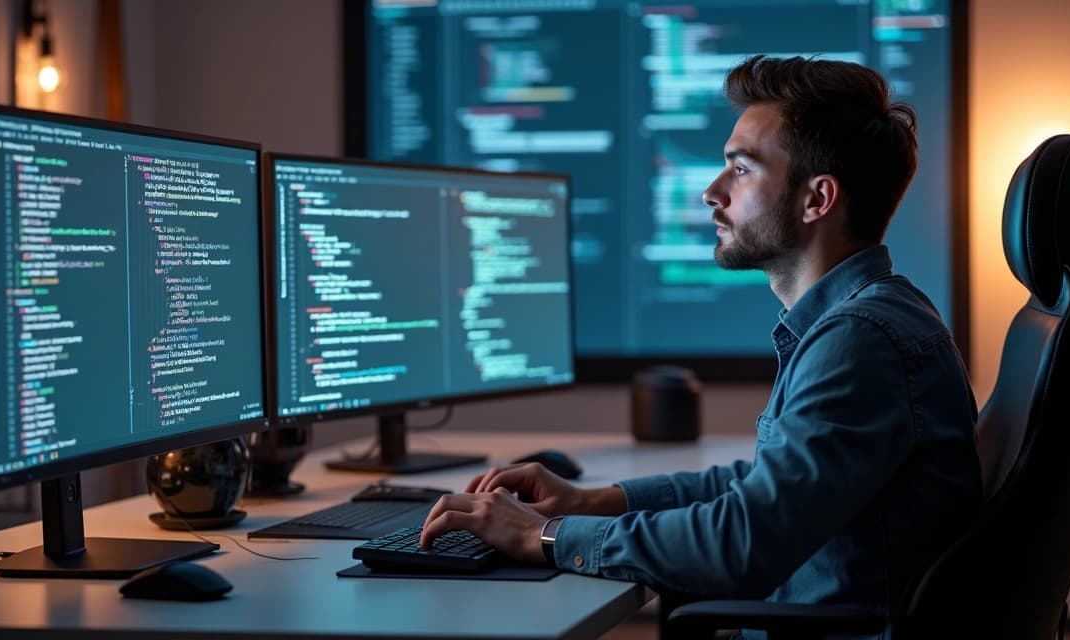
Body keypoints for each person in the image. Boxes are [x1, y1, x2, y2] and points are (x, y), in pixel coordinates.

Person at [420, 55, 981, 623]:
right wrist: (590, 500)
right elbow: (763, 488)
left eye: (741, 169)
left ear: (817, 200)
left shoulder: (861, 340)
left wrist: (546, 536)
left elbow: (741, 543)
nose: (712, 192)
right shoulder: (864, 318)